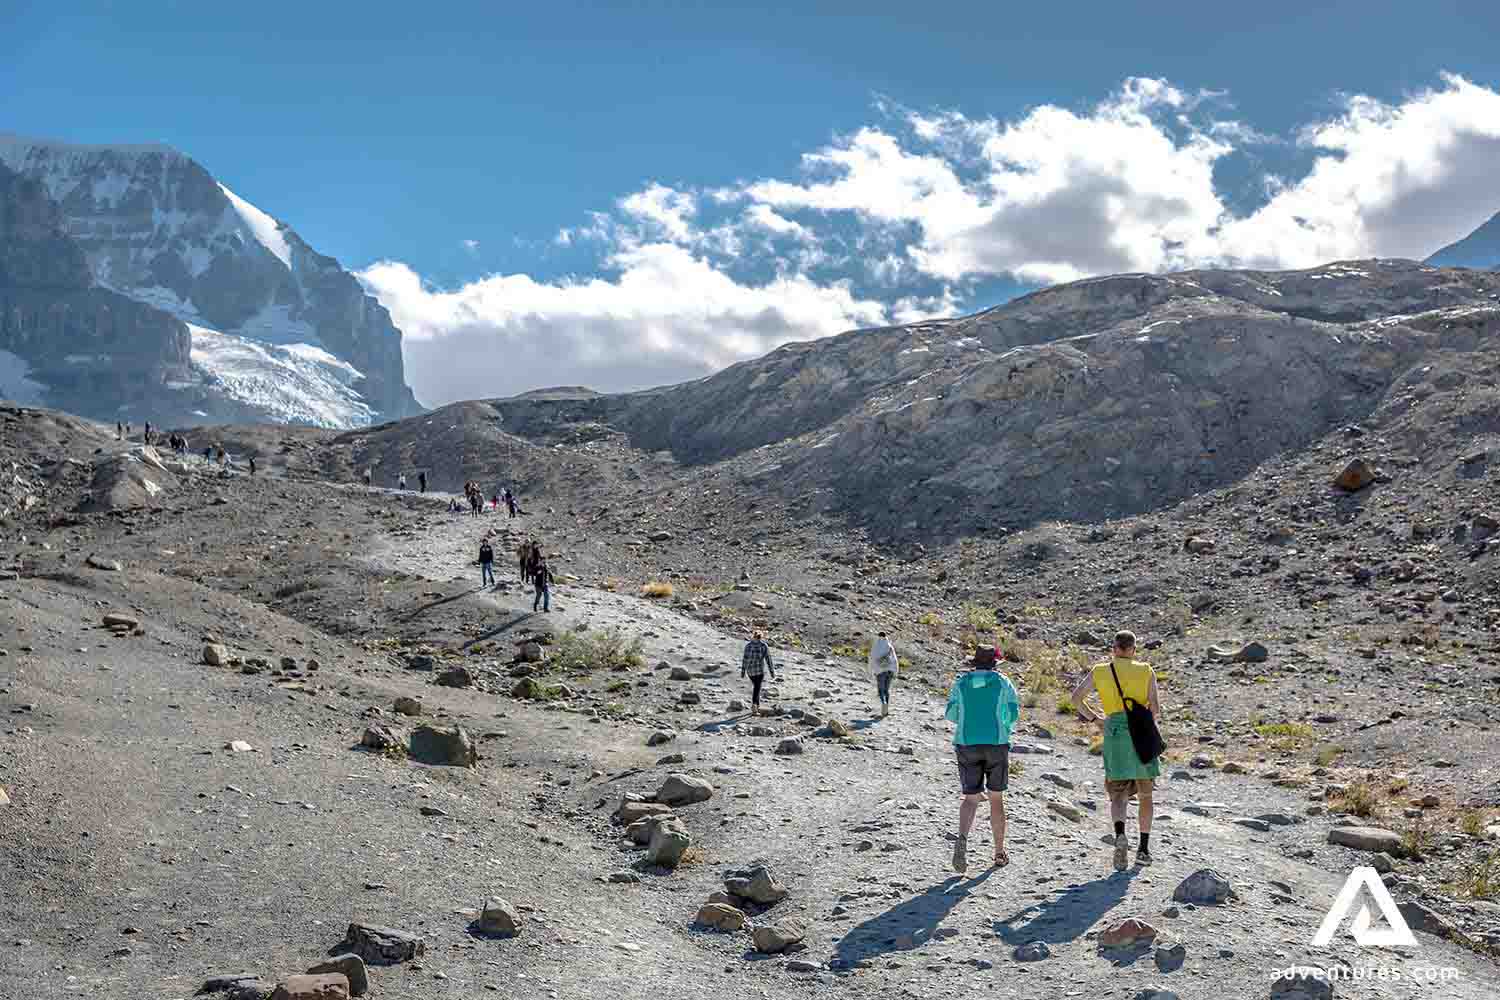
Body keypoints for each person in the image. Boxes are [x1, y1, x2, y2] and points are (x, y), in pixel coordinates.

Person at [1071, 630, 1163, 870]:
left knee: (1118, 791)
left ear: (1114, 648)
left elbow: (1076, 698)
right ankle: (1143, 849)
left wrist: (1096, 719)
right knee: (1145, 794)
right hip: (1141, 731)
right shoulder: (1145, 670)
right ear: (1133, 649)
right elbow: (1155, 709)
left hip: (1114, 731)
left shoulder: (1101, 671)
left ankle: (1120, 834)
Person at [945, 643, 1021, 872]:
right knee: (996, 799)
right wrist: (1002, 725)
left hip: (967, 743)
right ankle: (999, 852)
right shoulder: (1003, 682)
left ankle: (962, 841)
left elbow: (951, 714)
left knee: (970, 798)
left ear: (974, 662)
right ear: (994, 663)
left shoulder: (961, 682)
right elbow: (1013, 713)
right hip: (996, 743)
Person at [739, 631, 777, 716]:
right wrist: (772, 672)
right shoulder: (763, 646)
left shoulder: (748, 646)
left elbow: (744, 659)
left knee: (756, 687)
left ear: (754, 636)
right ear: (761, 637)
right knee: (757, 688)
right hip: (759, 670)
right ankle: (754, 707)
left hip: (750, 671)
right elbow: (768, 659)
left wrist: (743, 672)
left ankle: (757, 706)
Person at [868, 631, 899, 717]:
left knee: (881, 690)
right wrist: (896, 671)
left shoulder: (875, 647)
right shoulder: (889, 646)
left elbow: (871, 659)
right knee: (886, 690)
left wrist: (870, 671)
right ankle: (886, 709)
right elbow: (895, 659)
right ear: (886, 637)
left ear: (878, 637)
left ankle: (883, 703)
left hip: (880, 671)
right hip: (890, 671)